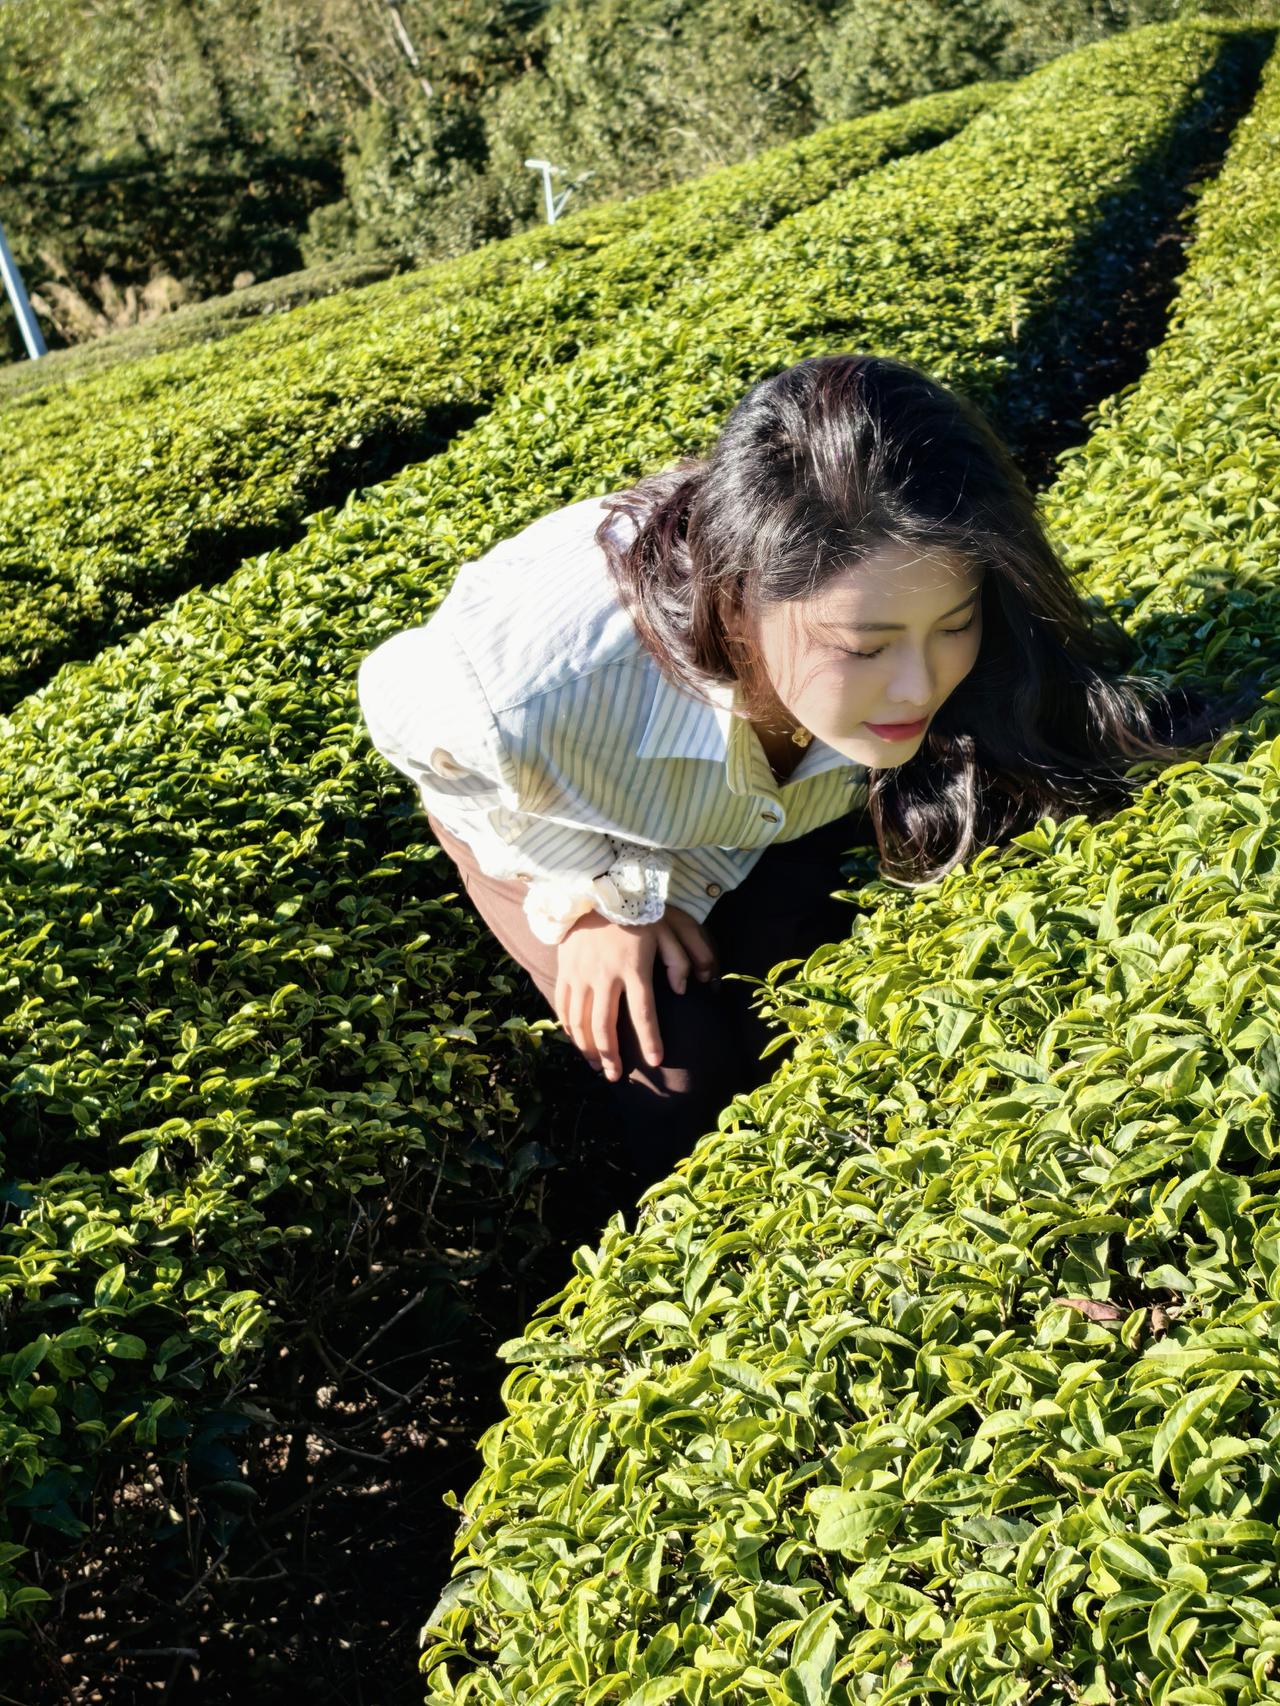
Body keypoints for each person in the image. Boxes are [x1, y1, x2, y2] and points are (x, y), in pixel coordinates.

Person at [356, 351, 1255, 1185]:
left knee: (791, 998)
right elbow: (399, 709)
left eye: (953, 626)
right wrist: (592, 894)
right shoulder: (528, 696)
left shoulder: (944, 656)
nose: (922, 685)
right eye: (864, 648)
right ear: (742, 600)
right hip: (595, 815)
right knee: (679, 1088)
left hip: (783, 803)